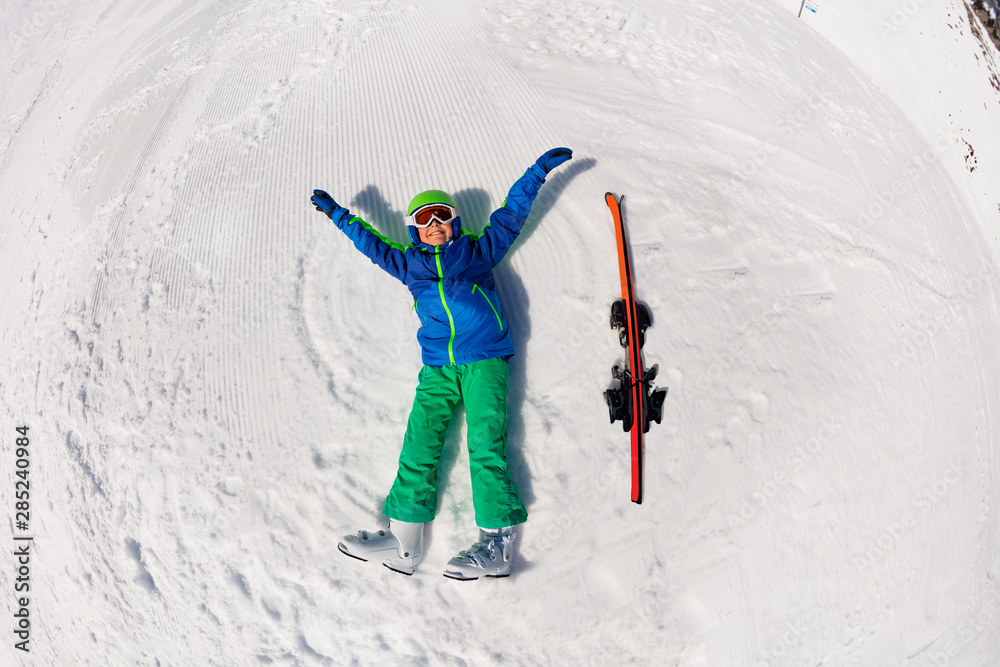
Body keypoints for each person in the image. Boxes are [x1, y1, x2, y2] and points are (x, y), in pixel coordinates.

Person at [310, 147, 573, 579]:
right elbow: (370, 241)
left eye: (441, 217)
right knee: (419, 442)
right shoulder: (407, 263)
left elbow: (510, 215)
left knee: (485, 443)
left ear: (454, 222)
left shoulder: (476, 251)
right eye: (424, 220)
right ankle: (403, 541)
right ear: (414, 230)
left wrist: (537, 173)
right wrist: (339, 214)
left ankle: (496, 546)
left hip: (485, 359)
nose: (434, 226)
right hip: (436, 366)